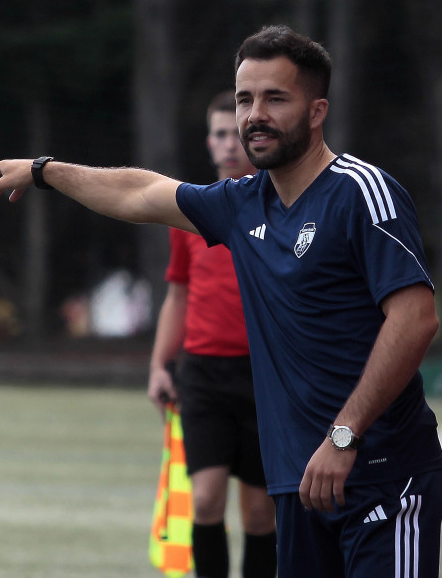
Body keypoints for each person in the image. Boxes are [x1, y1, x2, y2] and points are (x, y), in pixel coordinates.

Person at [0, 24, 442, 578]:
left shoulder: (363, 192)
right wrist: (44, 172)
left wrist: (344, 436)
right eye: (245, 99)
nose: (254, 115)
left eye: (275, 98)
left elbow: (415, 319)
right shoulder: (241, 204)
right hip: (299, 484)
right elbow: (138, 191)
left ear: (317, 112)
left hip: (381, 474)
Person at [147, 90, 276, 578]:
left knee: (261, 511)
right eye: (219, 134)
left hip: (264, 375)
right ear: (208, 142)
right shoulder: (190, 214)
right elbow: (177, 294)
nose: (228, 143)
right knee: (204, 499)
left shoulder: (277, 207)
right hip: (202, 374)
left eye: (236, 134)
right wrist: (161, 364)